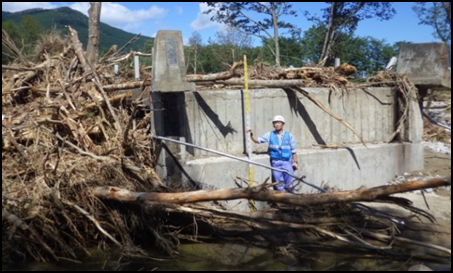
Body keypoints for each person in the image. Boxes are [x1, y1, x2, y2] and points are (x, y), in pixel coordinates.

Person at [247, 115, 298, 192]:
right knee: (279, 186)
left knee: (290, 185)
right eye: (275, 123)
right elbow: (257, 140)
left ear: (282, 124)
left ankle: (293, 201)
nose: (276, 124)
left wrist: (295, 162)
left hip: (287, 162)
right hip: (276, 163)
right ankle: (283, 202)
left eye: (278, 123)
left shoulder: (289, 136)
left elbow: (294, 151)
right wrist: (250, 133)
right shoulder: (270, 135)